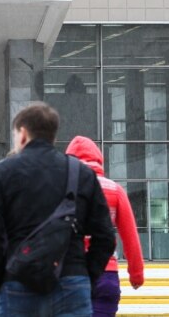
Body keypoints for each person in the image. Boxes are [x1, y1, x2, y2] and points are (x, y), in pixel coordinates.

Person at [0, 102, 115, 317]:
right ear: (52, 136)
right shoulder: (81, 174)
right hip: (72, 282)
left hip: (17, 283)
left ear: (22, 134)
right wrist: (85, 274)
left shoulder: (1, 172)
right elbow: (105, 236)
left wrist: (2, 277)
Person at [65, 135, 144, 317]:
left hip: (72, 273)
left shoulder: (65, 189)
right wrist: (136, 273)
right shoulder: (115, 189)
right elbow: (130, 235)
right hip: (107, 274)